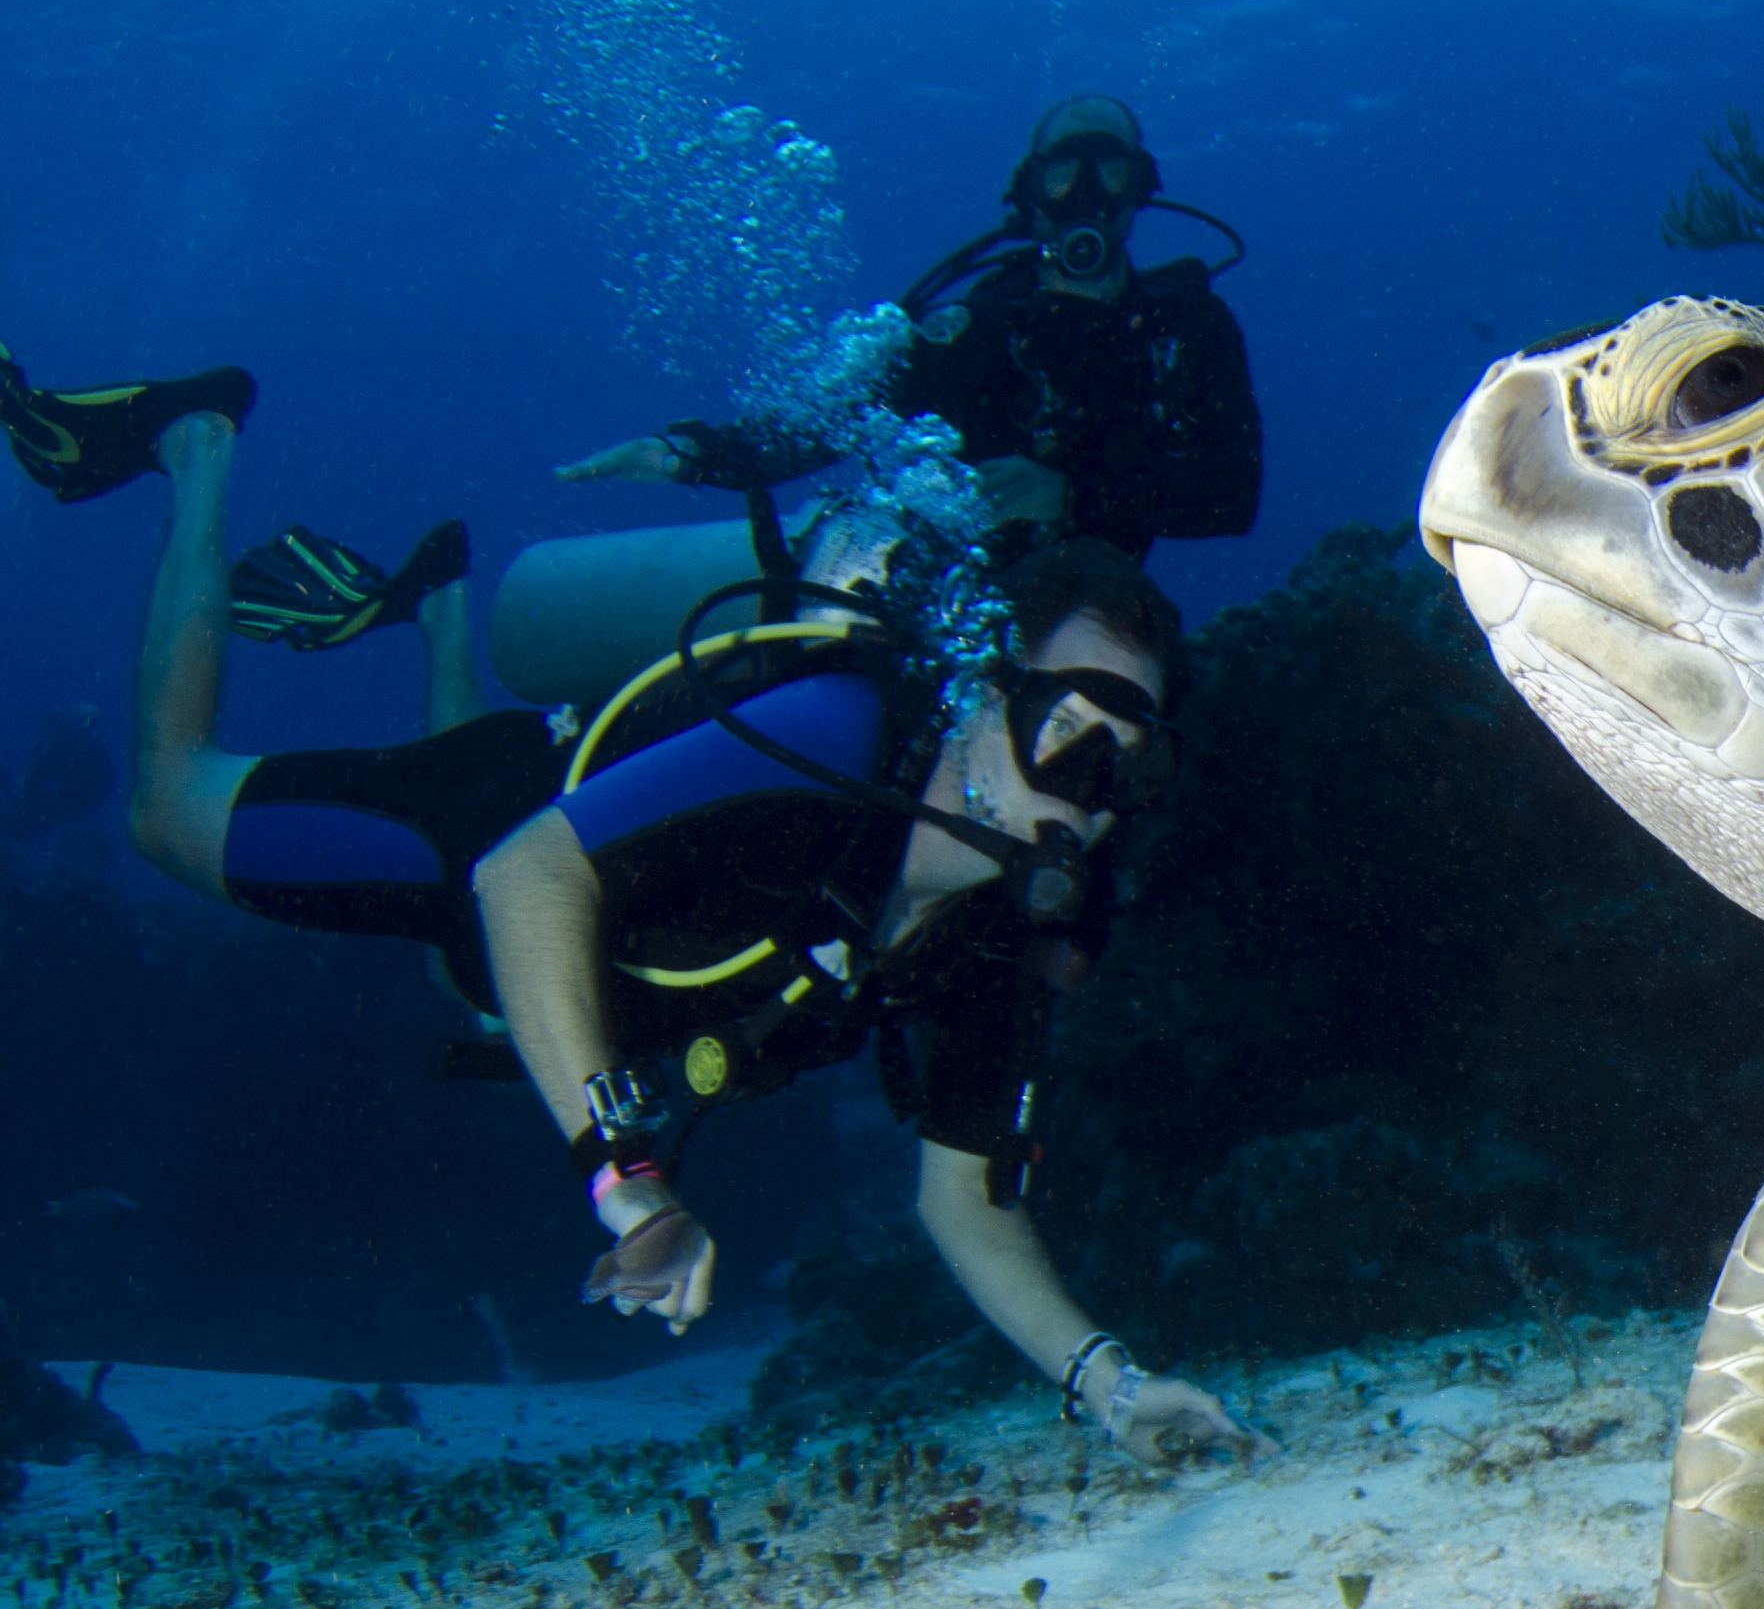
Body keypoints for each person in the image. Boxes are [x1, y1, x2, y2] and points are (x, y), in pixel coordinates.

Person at [0, 353, 1250, 1463]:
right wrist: (629, 1186)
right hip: (490, 825)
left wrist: (1112, 1386)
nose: (1089, 804)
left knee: (475, 988)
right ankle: (198, 446)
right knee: (165, 813)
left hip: (594, 970)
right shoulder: (825, 729)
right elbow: (523, 877)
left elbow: (966, 1201)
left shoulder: (992, 932)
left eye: (1130, 771)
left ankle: (434, 605)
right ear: (980, 691)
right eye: (1068, 737)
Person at [207, 92, 1262, 714]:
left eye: (1106, 166)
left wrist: (1065, 484)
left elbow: (1233, 496)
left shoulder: (1188, 330)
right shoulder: (980, 325)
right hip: (935, 609)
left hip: (1091, 623)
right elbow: (822, 421)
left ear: (1140, 187)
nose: (1084, 194)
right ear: (1028, 196)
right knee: (775, 720)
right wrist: (689, 451)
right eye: (1061, 171)